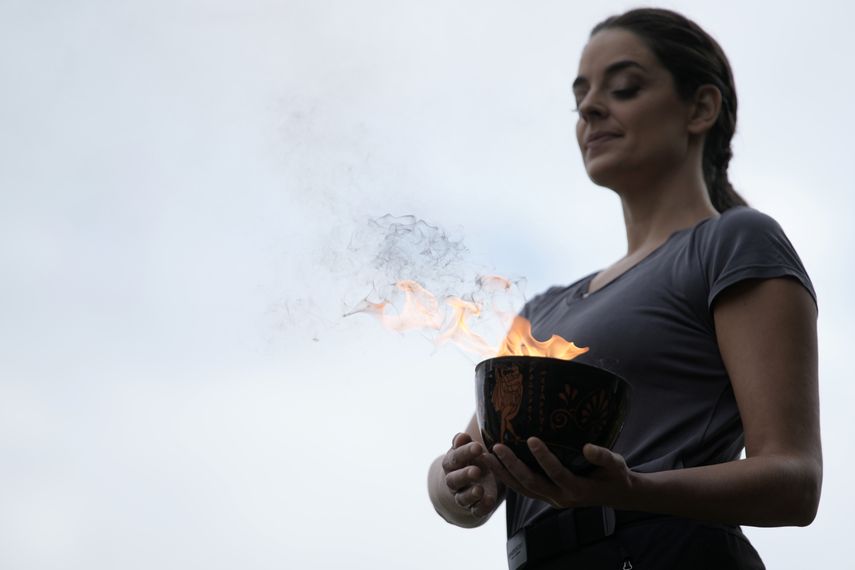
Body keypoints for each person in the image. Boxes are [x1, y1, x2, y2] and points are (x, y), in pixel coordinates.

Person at [427, 8, 821, 569]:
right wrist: (457, 482)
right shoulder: (542, 311)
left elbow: (795, 481)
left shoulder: (734, 242)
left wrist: (633, 489)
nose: (590, 108)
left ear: (700, 109)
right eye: (580, 97)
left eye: (624, 88)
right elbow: (469, 471)